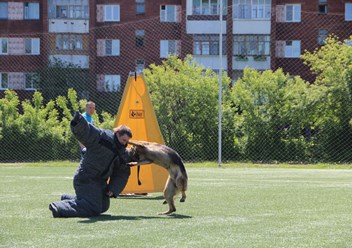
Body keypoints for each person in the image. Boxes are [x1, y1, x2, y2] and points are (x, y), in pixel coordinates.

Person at [49, 111, 133, 218]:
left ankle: (68, 198)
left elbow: (121, 173)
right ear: (117, 134)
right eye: (123, 140)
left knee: (103, 206)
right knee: (93, 208)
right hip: (86, 178)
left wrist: (112, 189)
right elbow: (89, 132)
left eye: (127, 142)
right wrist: (79, 122)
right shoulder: (103, 138)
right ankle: (59, 207)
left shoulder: (121, 153)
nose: (124, 144)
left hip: (99, 182)